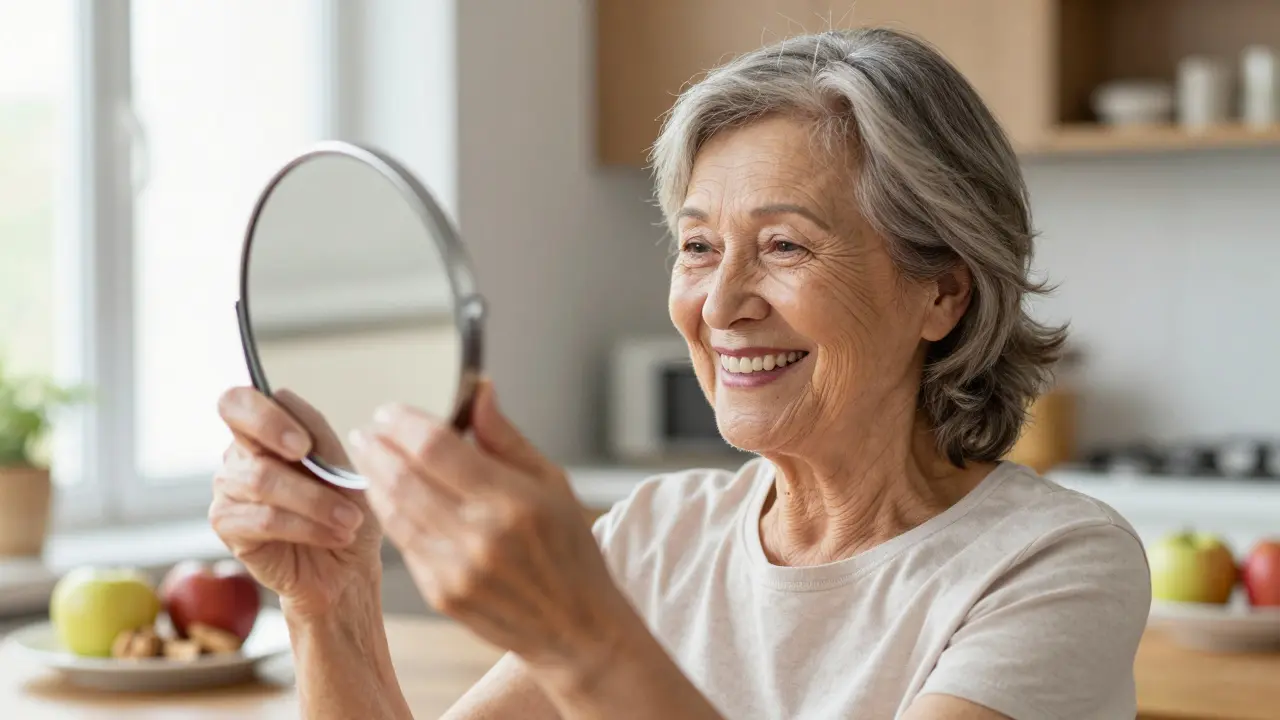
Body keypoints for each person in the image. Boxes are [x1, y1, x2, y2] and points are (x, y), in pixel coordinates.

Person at [210, 28, 1151, 719]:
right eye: (699, 246)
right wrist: (329, 603)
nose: (723, 300)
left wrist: (584, 639)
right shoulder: (659, 539)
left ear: (941, 293)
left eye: (784, 245)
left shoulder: (1051, 567)